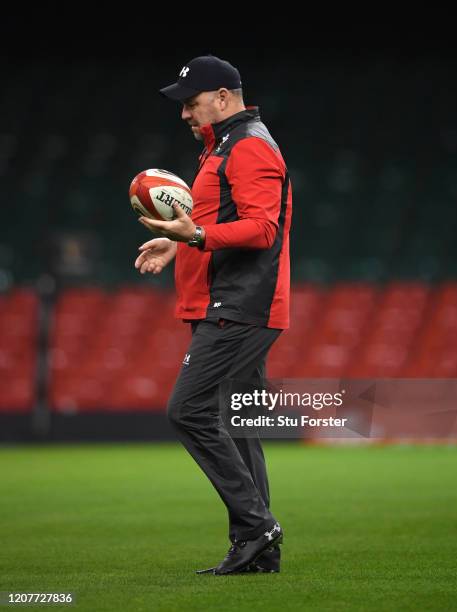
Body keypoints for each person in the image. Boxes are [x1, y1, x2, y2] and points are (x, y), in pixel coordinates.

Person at [134, 55, 292, 575]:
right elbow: (217, 226)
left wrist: (196, 236)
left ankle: (257, 526)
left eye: (190, 102)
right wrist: (176, 245)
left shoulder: (248, 146)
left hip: (241, 305)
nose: (184, 113)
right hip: (235, 301)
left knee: (189, 409)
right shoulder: (221, 149)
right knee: (238, 423)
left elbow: (262, 229)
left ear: (223, 97)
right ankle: (259, 548)